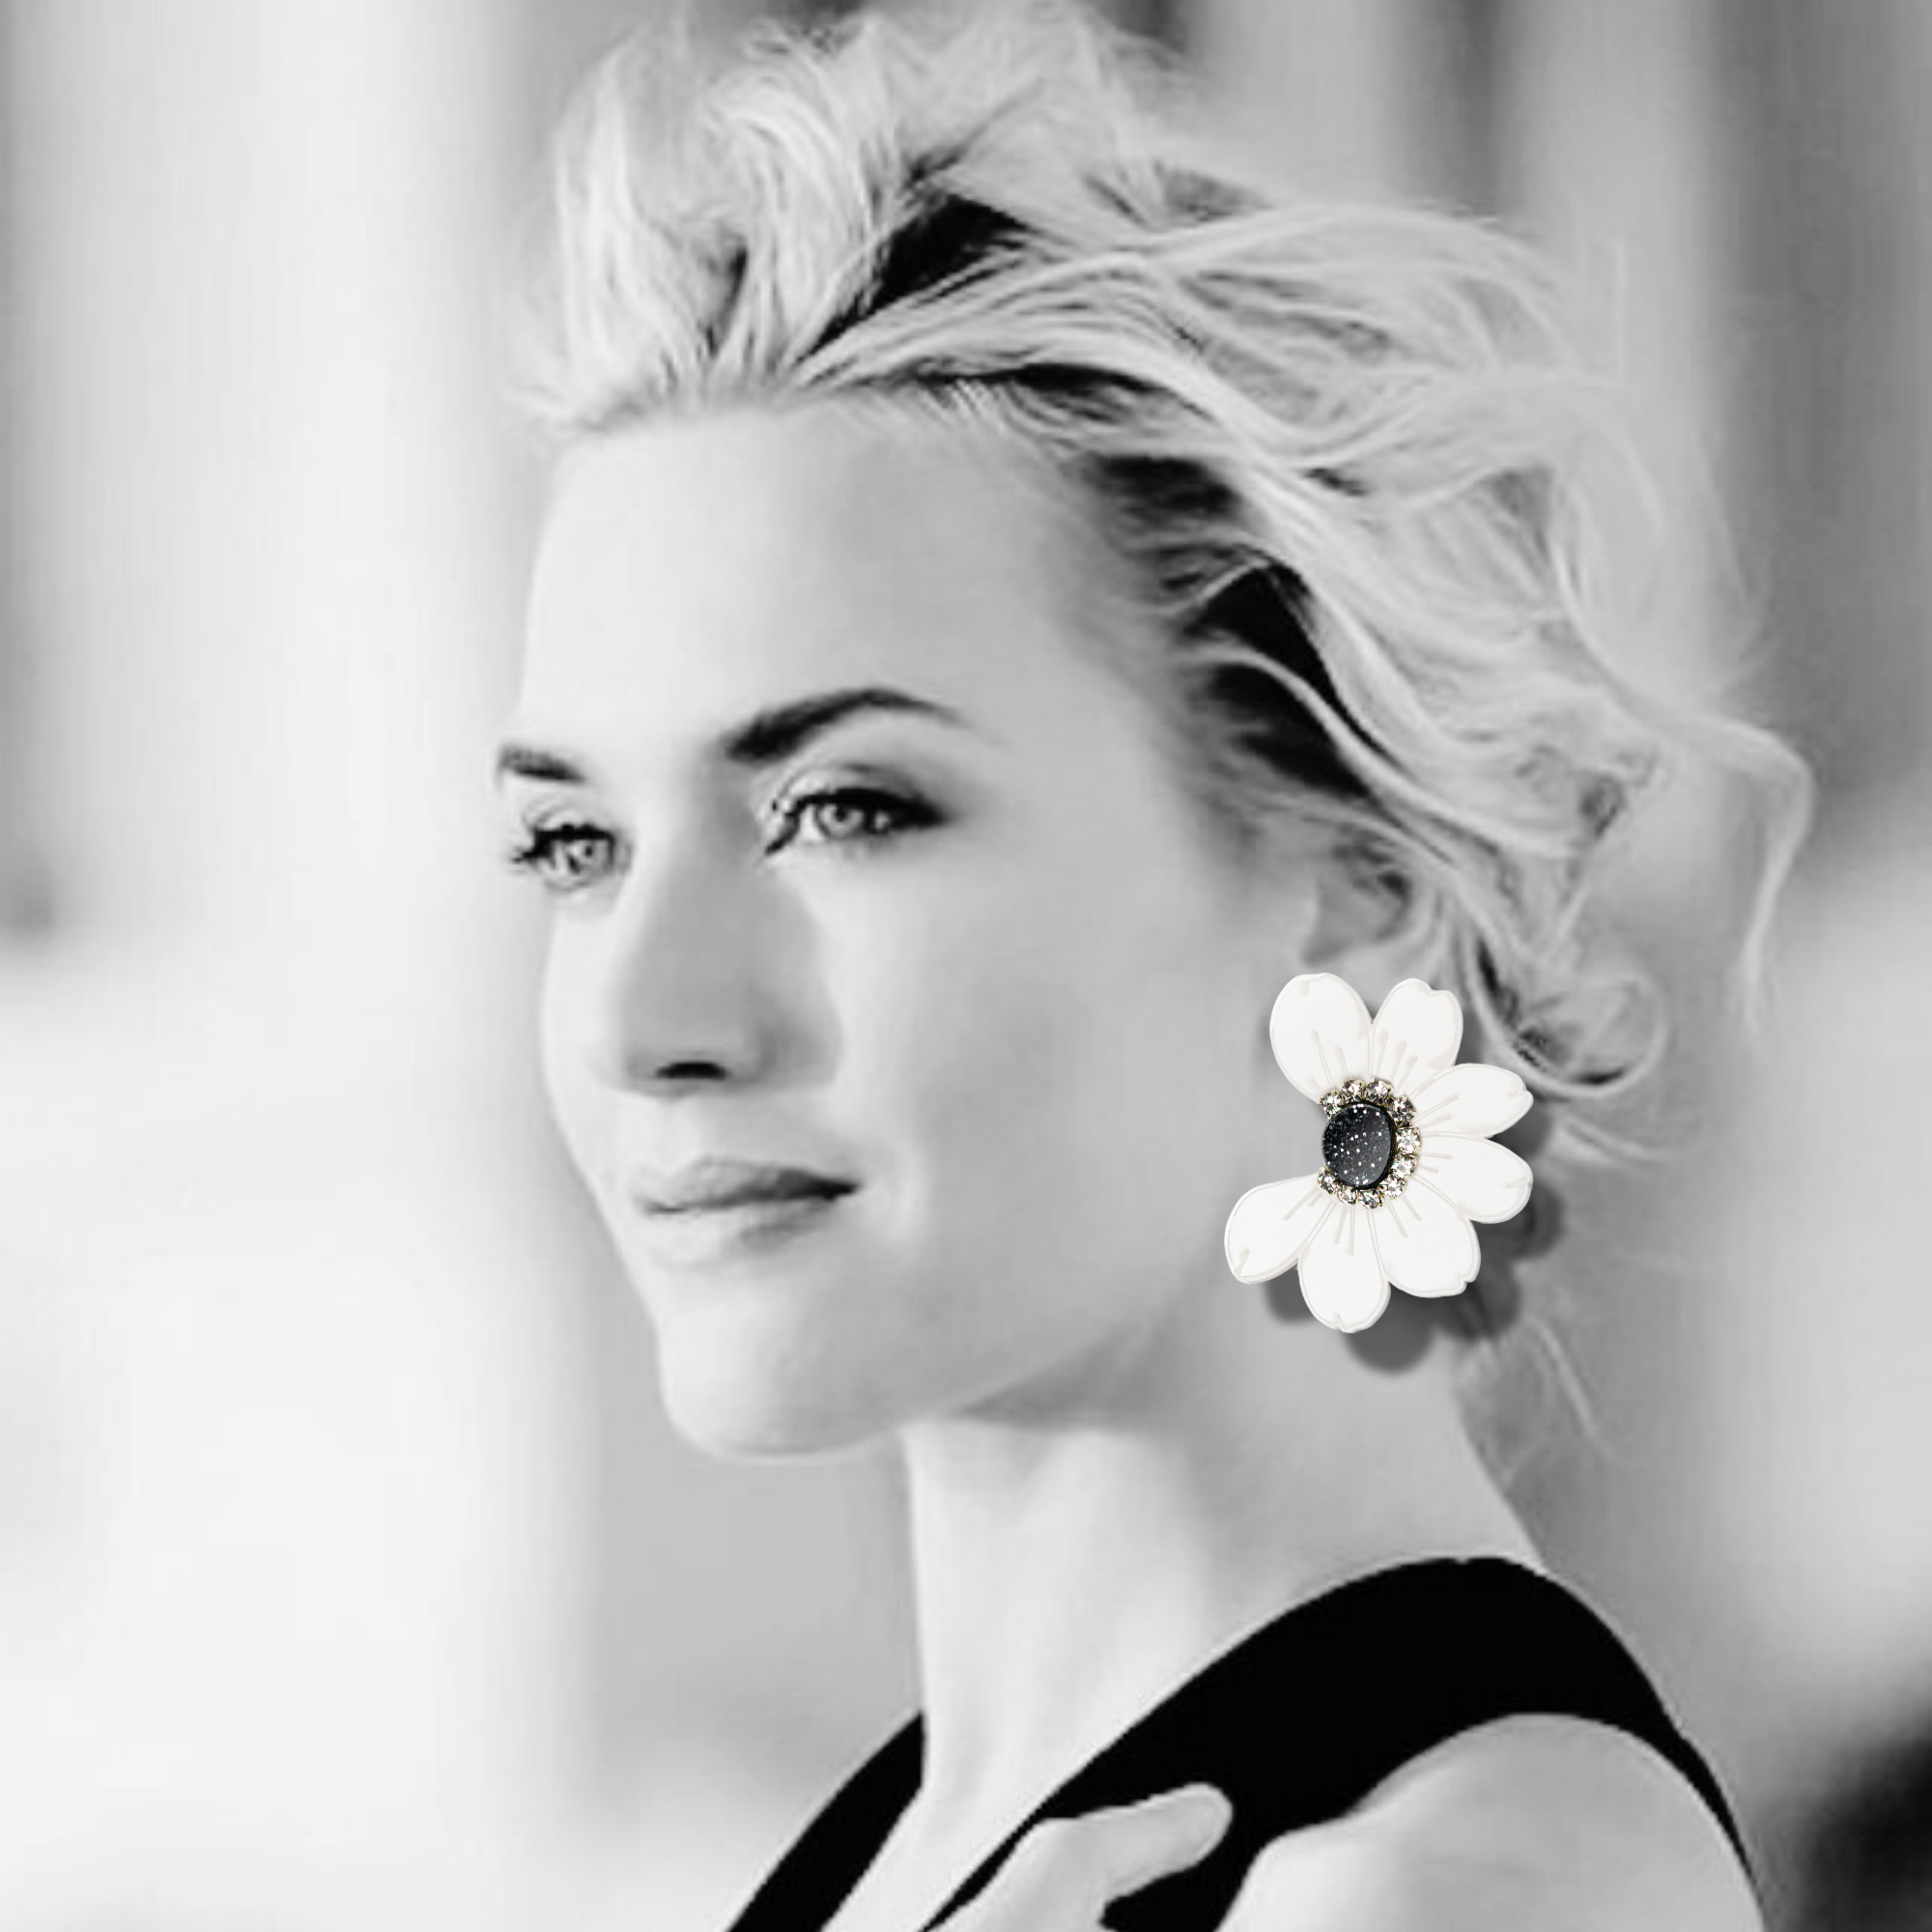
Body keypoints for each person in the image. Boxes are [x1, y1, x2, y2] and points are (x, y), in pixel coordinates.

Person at [491, 2, 1806, 1924]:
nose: (641, 1016)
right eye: (575, 846)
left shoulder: (1449, 1891)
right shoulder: (905, 1863)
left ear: (1344, 860)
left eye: (846, 807)